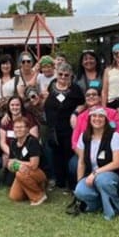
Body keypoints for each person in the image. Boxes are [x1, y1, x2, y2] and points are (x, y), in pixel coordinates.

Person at [73, 107, 119, 219]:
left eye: (101, 116)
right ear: (90, 119)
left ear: (106, 120)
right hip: (91, 176)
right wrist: (79, 181)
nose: (97, 119)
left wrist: (95, 173)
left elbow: (117, 163)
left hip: (111, 176)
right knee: (80, 191)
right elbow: (81, 162)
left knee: (102, 180)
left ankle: (114, 210)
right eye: (94, 116)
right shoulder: (84, 136)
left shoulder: (114, 136)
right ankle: (98, 205)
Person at [44, 62, 84, 190]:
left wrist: (75, 113)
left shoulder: (75, 88)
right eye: (60, 74)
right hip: (53, 128)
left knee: (68, 155)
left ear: (71, 75)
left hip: (68, 128)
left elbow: (83, 104)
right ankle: (59, 181)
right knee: (56, 155)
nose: (63, 77)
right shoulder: (51, 85)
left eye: (66, 75)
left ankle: (70, 183)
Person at [6, 116, 48, 206]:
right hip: (23, 172)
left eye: (21, 127)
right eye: (16, 127)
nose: (18, 130)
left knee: (20, 173)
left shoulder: (32, 142)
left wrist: (17, 163)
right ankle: (34, 188)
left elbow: (34, 165)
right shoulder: (13, 142)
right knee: (14, 197)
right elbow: (10, 163)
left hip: (39, 173)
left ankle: (39, 196)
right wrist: (12, 166)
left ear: (27, 129)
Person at [101, 43, 119, 108]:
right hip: (111, 102)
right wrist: (104, 107)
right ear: (113, 55)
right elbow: (104, 91)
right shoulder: (108, 70)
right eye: (116, 53)